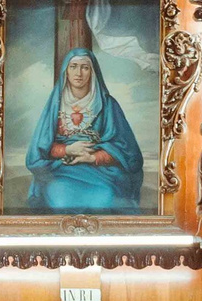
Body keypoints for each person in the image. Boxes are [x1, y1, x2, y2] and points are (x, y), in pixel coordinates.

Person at [23, 48, 145, 211]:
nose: (78, 73)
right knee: (60, 200)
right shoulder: (55, 104)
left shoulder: (108, 105)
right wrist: (68, 149)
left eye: (85, 67)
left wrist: (92, 158)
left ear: (93, 72)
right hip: (61, 169)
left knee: (104, 200)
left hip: (100, 172)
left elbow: (128, 152)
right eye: (73, 66)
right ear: (66, 71)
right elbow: (39, 151)